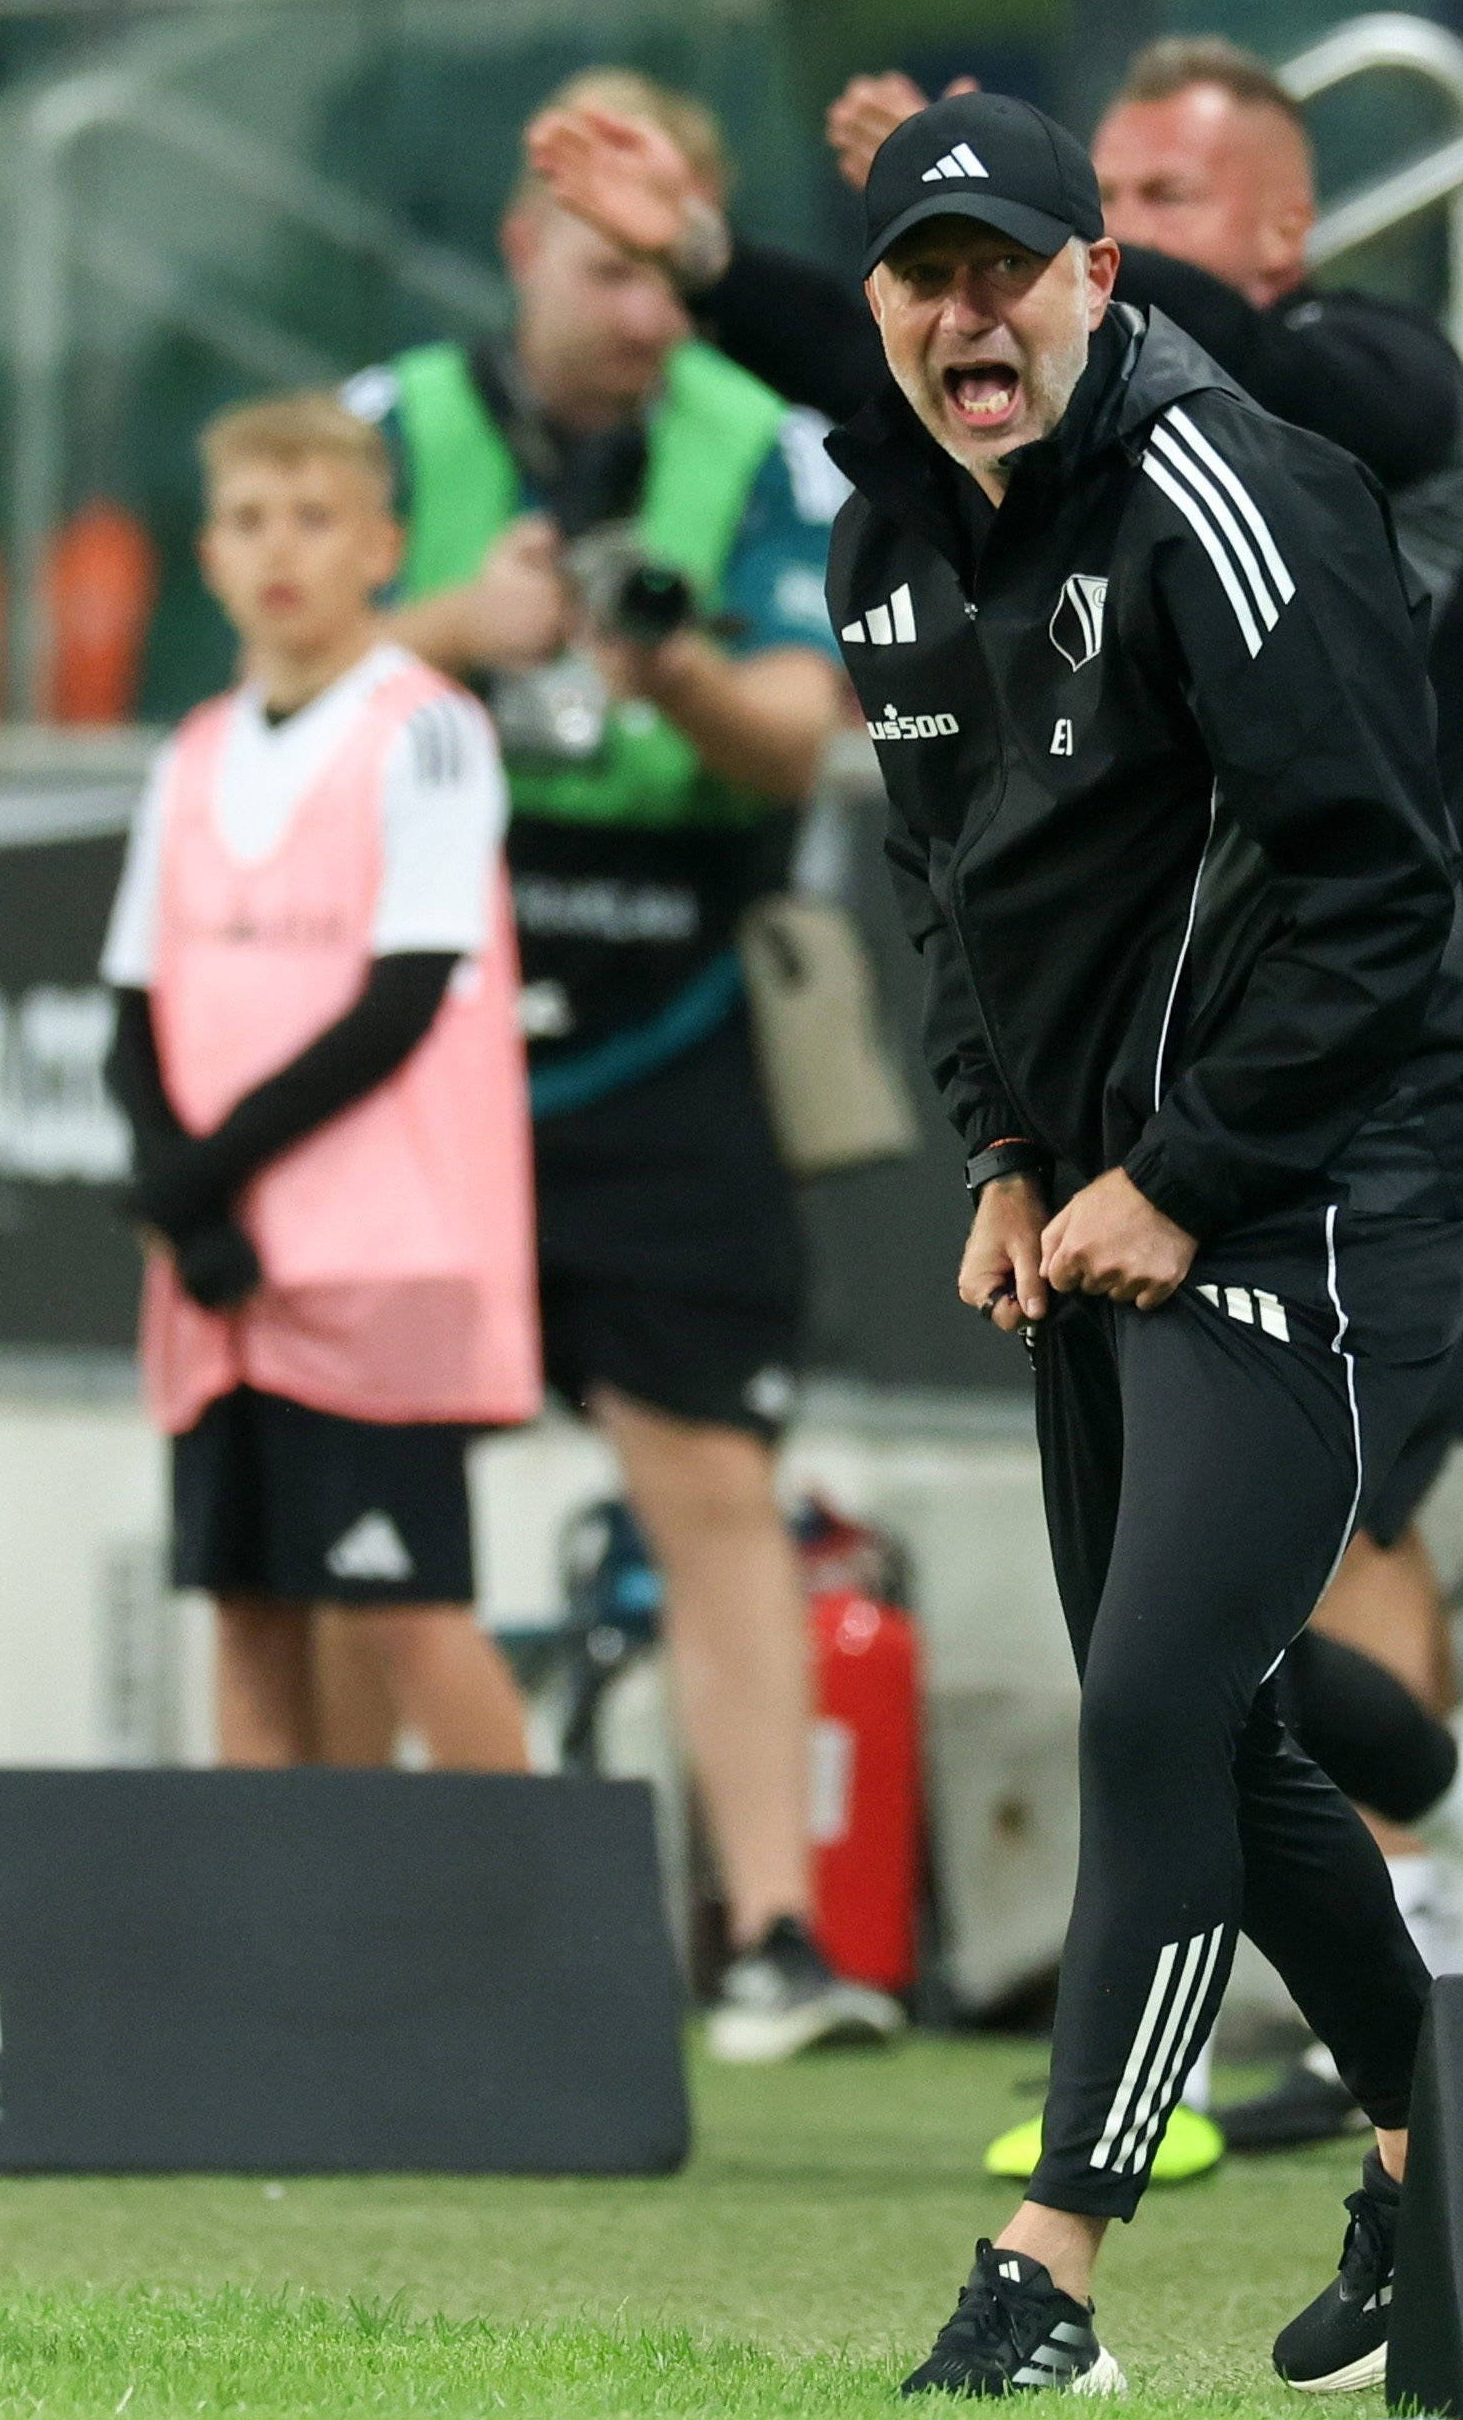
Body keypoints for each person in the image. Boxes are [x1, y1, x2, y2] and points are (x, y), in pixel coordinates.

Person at [527, 41, 1463, 2009]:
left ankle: (1400, 1981)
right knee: (1191, 1641)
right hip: (1181, 1088)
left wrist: (1003, 249)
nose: (1112, 242)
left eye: (1154, 204)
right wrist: (1017, 1152)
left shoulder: (1370, 389)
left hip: (1393, 1060)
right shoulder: (969, 497)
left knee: (1314, 1559)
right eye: (1101, 188)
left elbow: (1140, 360)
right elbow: (948, 437)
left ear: (1247, 239)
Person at [822, 91, 1463, 2395]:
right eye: (920, 274)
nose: (961, 310)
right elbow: (949, 892)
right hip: (1114, 1190)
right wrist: (1007, 1152)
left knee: (1154, 1698)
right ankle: (1462, 2139)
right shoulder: (881, 551)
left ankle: (1049, 2277)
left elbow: (1382, 905)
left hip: (1330, 1173)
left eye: (1005, 263)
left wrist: (1190, 1168)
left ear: (1097, 279)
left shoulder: (1236, 483)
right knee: (1224, 1708)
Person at [340, 69, 887, 2063]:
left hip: (671, 1011)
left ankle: (766, 1936)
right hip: (424, 1031)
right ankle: (351, 1910)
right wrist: (441, 631)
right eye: (607, 271)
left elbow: (796, 733)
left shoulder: (761, 439)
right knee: (367, 1491)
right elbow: (265, 693)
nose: (644, 314)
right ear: (518, 252)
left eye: (671, 276)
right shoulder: (391, 428)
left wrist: (660, 666)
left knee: (714, 1480)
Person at [98, 394, 537, 1775]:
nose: (278, 550)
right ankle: (272, 1963)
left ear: (382, 547)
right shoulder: (192, 755)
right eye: (246, 520)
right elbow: (135, 1002)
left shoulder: (429, 732)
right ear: (208, 555)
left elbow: (401, 1000)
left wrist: (200, 1173)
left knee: (409, 1607)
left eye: (314, 518)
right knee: (246, 1610)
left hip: (374, 1260)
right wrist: (189, 1202)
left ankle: (535, 1940)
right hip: (223, 1274)